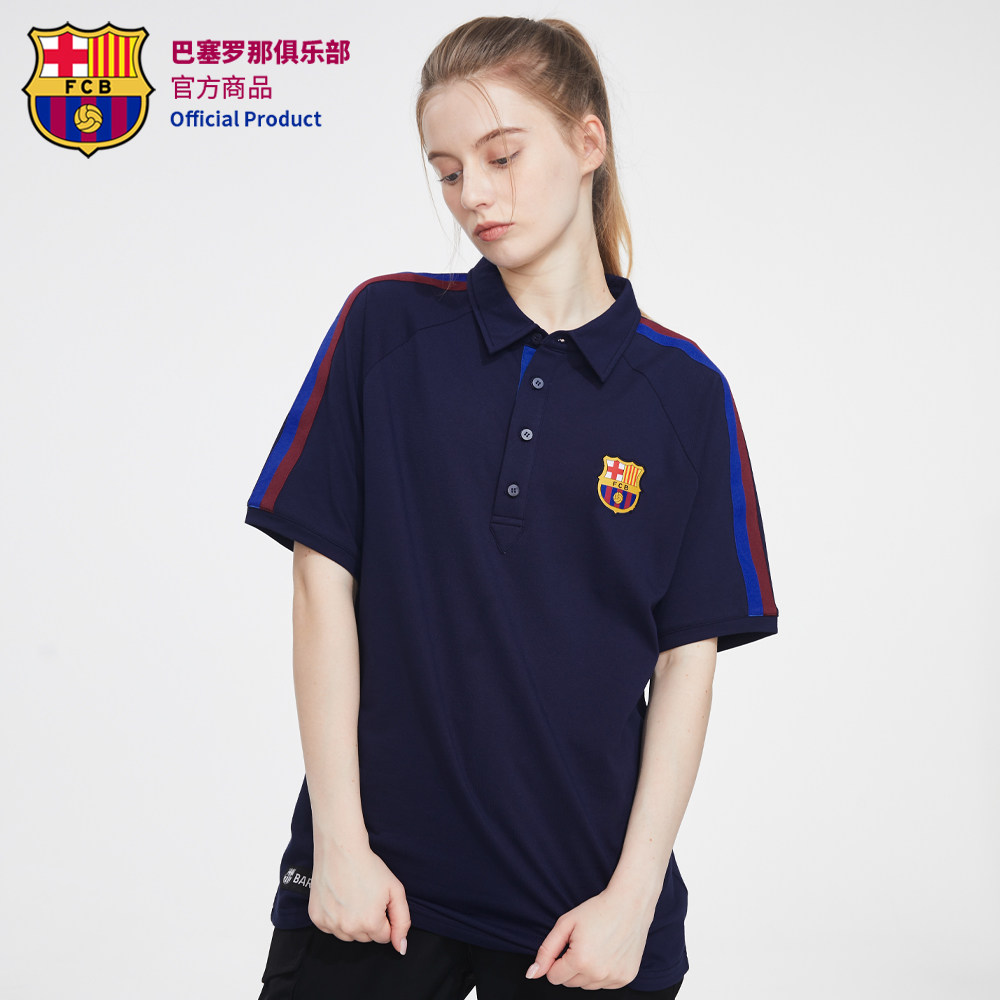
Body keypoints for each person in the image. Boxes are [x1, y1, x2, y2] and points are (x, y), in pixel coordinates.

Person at [245, 15, 778, 999]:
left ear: (587, 141)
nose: (473, 196)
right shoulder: (386, 330)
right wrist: (340, 843)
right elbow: (321, 587)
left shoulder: (684, 394)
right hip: (378, 886)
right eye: (447, 171)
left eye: (501, 156)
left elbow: (686, 663)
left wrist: (632, 900)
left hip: (580, 914)